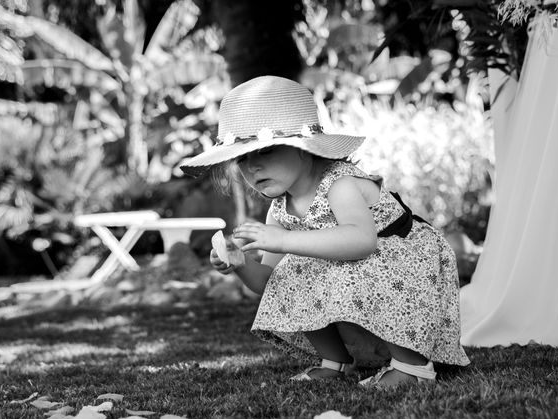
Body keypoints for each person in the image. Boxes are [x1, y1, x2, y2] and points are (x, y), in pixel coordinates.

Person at [180, 76, 470, 386]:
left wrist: (284, 240)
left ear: (303, 149)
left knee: (342, 263)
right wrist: (240, 264)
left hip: (406, 261)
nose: (252, 168)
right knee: (290, 273)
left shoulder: (340, 185)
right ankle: (335, 361)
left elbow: (362, 242)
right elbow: (269, 281)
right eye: (242, 158)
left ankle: (413, 367)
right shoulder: (280, 209)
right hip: (367, 264)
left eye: (264, 152)